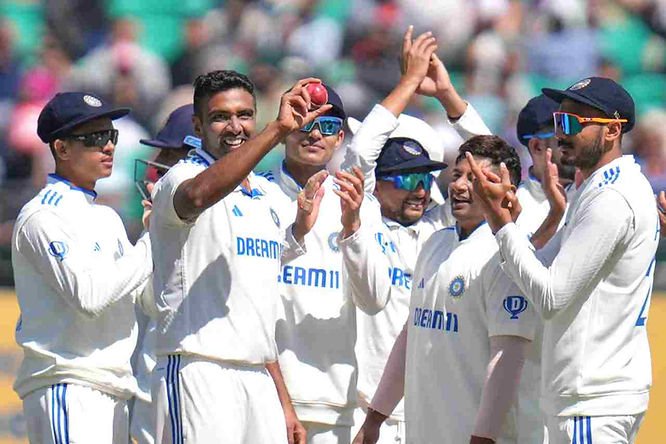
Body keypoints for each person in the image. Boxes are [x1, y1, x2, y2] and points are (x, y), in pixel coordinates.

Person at [469, 77, 658, 443]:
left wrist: (500, 220)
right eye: (559, 121)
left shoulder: (612, 198)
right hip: (588, 397)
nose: (562, 134)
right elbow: (533, 267)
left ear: (612, 131)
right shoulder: (593, 189)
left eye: (574, 123)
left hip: (593, 399)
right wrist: (530, 220)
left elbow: (550, 299)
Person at [149, 70, 330, 444]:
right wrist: (277, 132)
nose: (235, 127)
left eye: (245, 115)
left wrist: (282, 400)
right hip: (199, 367)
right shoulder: (181, 176)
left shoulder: (263, 197)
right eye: (220, 117)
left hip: (257, 377)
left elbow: (255, 307)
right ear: (198, 125)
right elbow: (197, 196)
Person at [351, 135, 541, 444]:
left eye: (476, 178)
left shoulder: (509, 255)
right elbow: (412, 334)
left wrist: (482, 438)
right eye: (457, 175)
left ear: (506, 190)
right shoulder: (436, 243)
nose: (460, 186)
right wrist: (375, 418)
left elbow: (508, 358)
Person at [11, 92, 153, 443]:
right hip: (67, 383)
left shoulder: (106, 216)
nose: (107, 147)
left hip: (115, 386)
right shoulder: (42, 216)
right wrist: (154, 241)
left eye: (111, 136)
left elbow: (142, 300)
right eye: (93, 138)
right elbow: (88, 297)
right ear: (60, 149)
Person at [260, 82, 390, 443]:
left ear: (340, 138)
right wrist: (296, 232)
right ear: (286, 127)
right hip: (263, 394)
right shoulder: (256, 193)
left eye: (329, 126)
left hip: (334, 400)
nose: (316, 133)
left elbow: (375, 300)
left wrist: (352, 227)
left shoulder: (358, 203)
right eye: (304, 121)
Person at [130, 104, 199, 444]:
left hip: (180, 381)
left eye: (167, 159)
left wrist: (153, 235)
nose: (152, 176)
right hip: (152, 382)